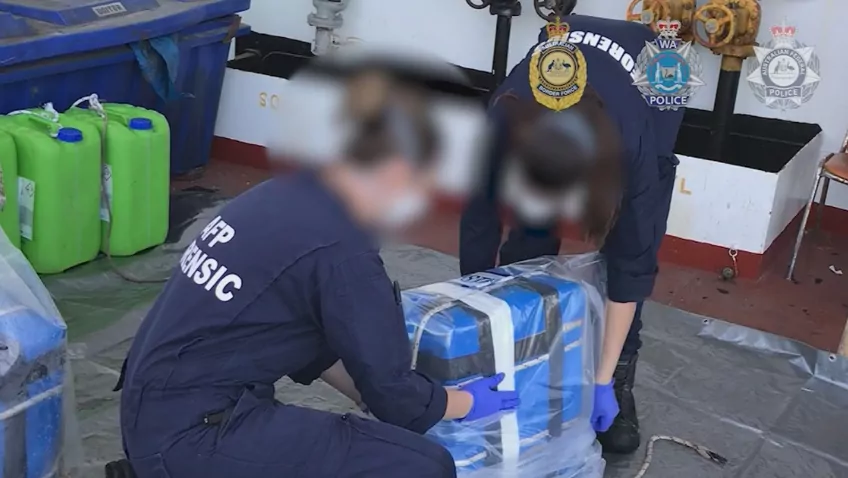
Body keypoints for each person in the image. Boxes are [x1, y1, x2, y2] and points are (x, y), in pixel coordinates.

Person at [113, 60, 519, 478]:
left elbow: (312, 345)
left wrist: (364, 396)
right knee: (424, 465)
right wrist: (466, 402)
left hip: (151, 415)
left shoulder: (281, 195)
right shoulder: (343, 250)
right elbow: (395, 394)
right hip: (193, 438)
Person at [458, 10, 685, 455]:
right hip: (561, 56)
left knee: (633, 235)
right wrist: (481, 333)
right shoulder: (501, 124)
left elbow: (632, 265)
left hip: (654, 73)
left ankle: (620, 374)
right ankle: (525, 347)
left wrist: (601, 381)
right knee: (530, 233)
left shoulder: (632, 143)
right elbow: (478, 225)